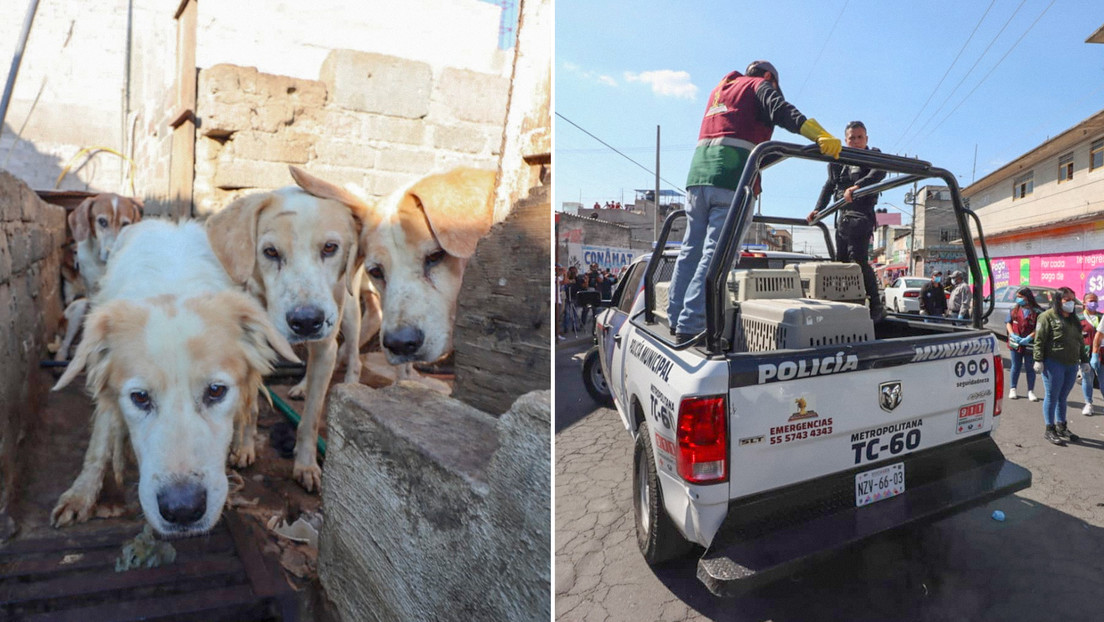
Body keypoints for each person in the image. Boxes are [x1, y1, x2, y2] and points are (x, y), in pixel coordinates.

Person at [667, 60, 842, 343]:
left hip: (697, 181)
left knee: (691, 251)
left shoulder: (721, 91)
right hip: (731, 182)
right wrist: (818, 133)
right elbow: (782, 111)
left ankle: (676, 318)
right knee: (716, 254)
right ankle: (693, 326)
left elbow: (741, 140)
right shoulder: (759, 86)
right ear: (770, 77)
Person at [805, 121, 886, 320]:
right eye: (852, 138)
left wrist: (858, 186)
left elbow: (879, 172)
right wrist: (817, 209)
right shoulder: (838, 159)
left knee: (858, 260)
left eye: (860, 137)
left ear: (866, 139)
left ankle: (876, 305)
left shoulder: (872, 156)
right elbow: (829, 186)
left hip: (862, 215)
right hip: (842, 217)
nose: (856, 141)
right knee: (839, 261)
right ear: (846, 140)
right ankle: (844, 303)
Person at [1033, 286, 1090, 445]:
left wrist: (1084, 360)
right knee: (1052, 395)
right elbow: (1040, 340)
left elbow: (1080, 341)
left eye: (1072, 299)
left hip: (1071, 363)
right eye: (1067, 300)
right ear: (1058, 300)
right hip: (1053, 363)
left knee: (1063, 397)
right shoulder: (1046, 316)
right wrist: (1038, 359)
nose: (1071, 303)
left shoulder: (1073, 318)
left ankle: (1061, 426)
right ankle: (1049, 429)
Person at [1006, 287, 1041, 402]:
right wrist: (1012, 334)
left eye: (1020, 297)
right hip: (1015, 342)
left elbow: (1039, 328)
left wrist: (1028, 338)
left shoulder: (1037, 311)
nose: (1018, 299)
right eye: (1018, 296)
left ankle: (1031, 391)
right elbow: (1008, 323)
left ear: (1027, 297)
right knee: (1015, 366)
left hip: (1029, 343)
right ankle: (1013, 388)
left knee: (1029, 367)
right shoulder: (1014, 309)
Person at [1079, 292, 1101, 414]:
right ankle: (1088, 404)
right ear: (1084, 302)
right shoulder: (1079, 319)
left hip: (1101, 354)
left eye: (1096, 301)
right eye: (1091, 300)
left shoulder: (1101, 317)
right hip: (1086, 355)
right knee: (1087, 379)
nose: (1094, 303)